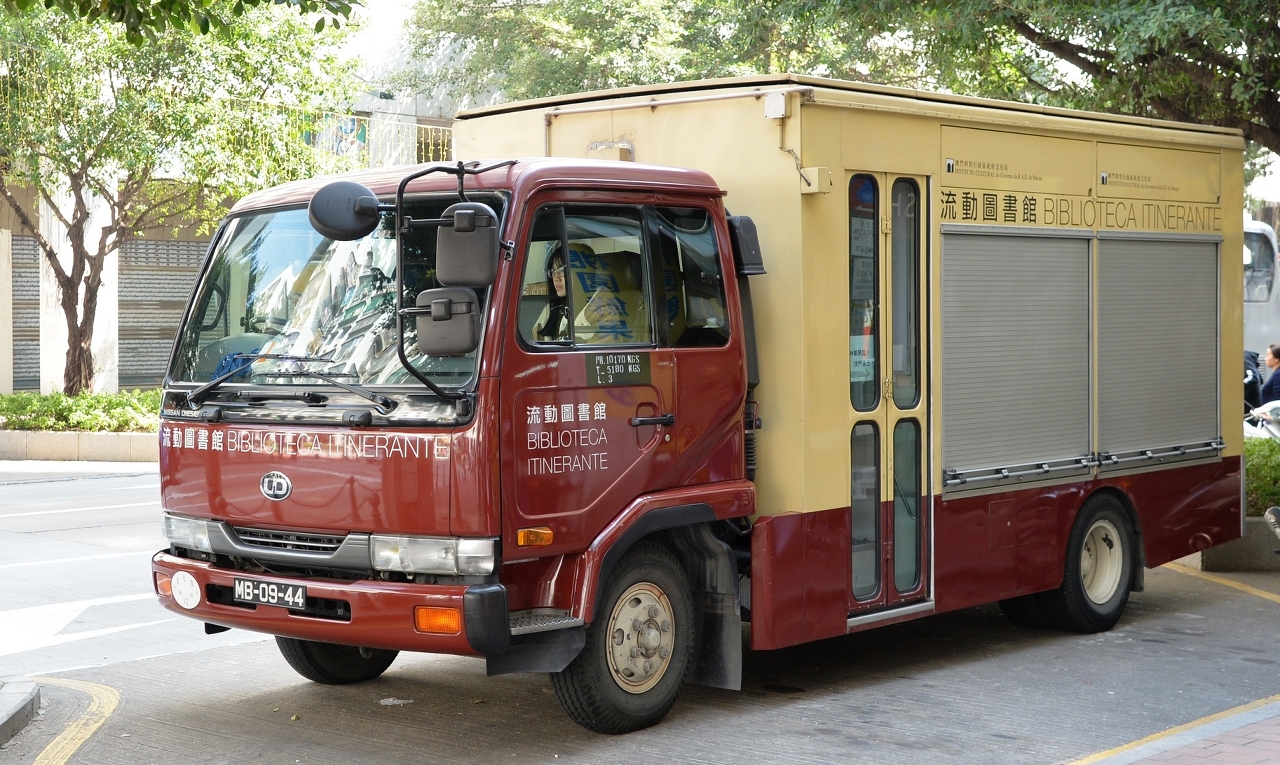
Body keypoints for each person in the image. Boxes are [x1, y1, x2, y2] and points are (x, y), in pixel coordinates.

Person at [532, 247, 571, 341]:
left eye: (561, 270)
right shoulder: (550, 311)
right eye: (553, 271)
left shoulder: (596, 309)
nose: (556, 278)